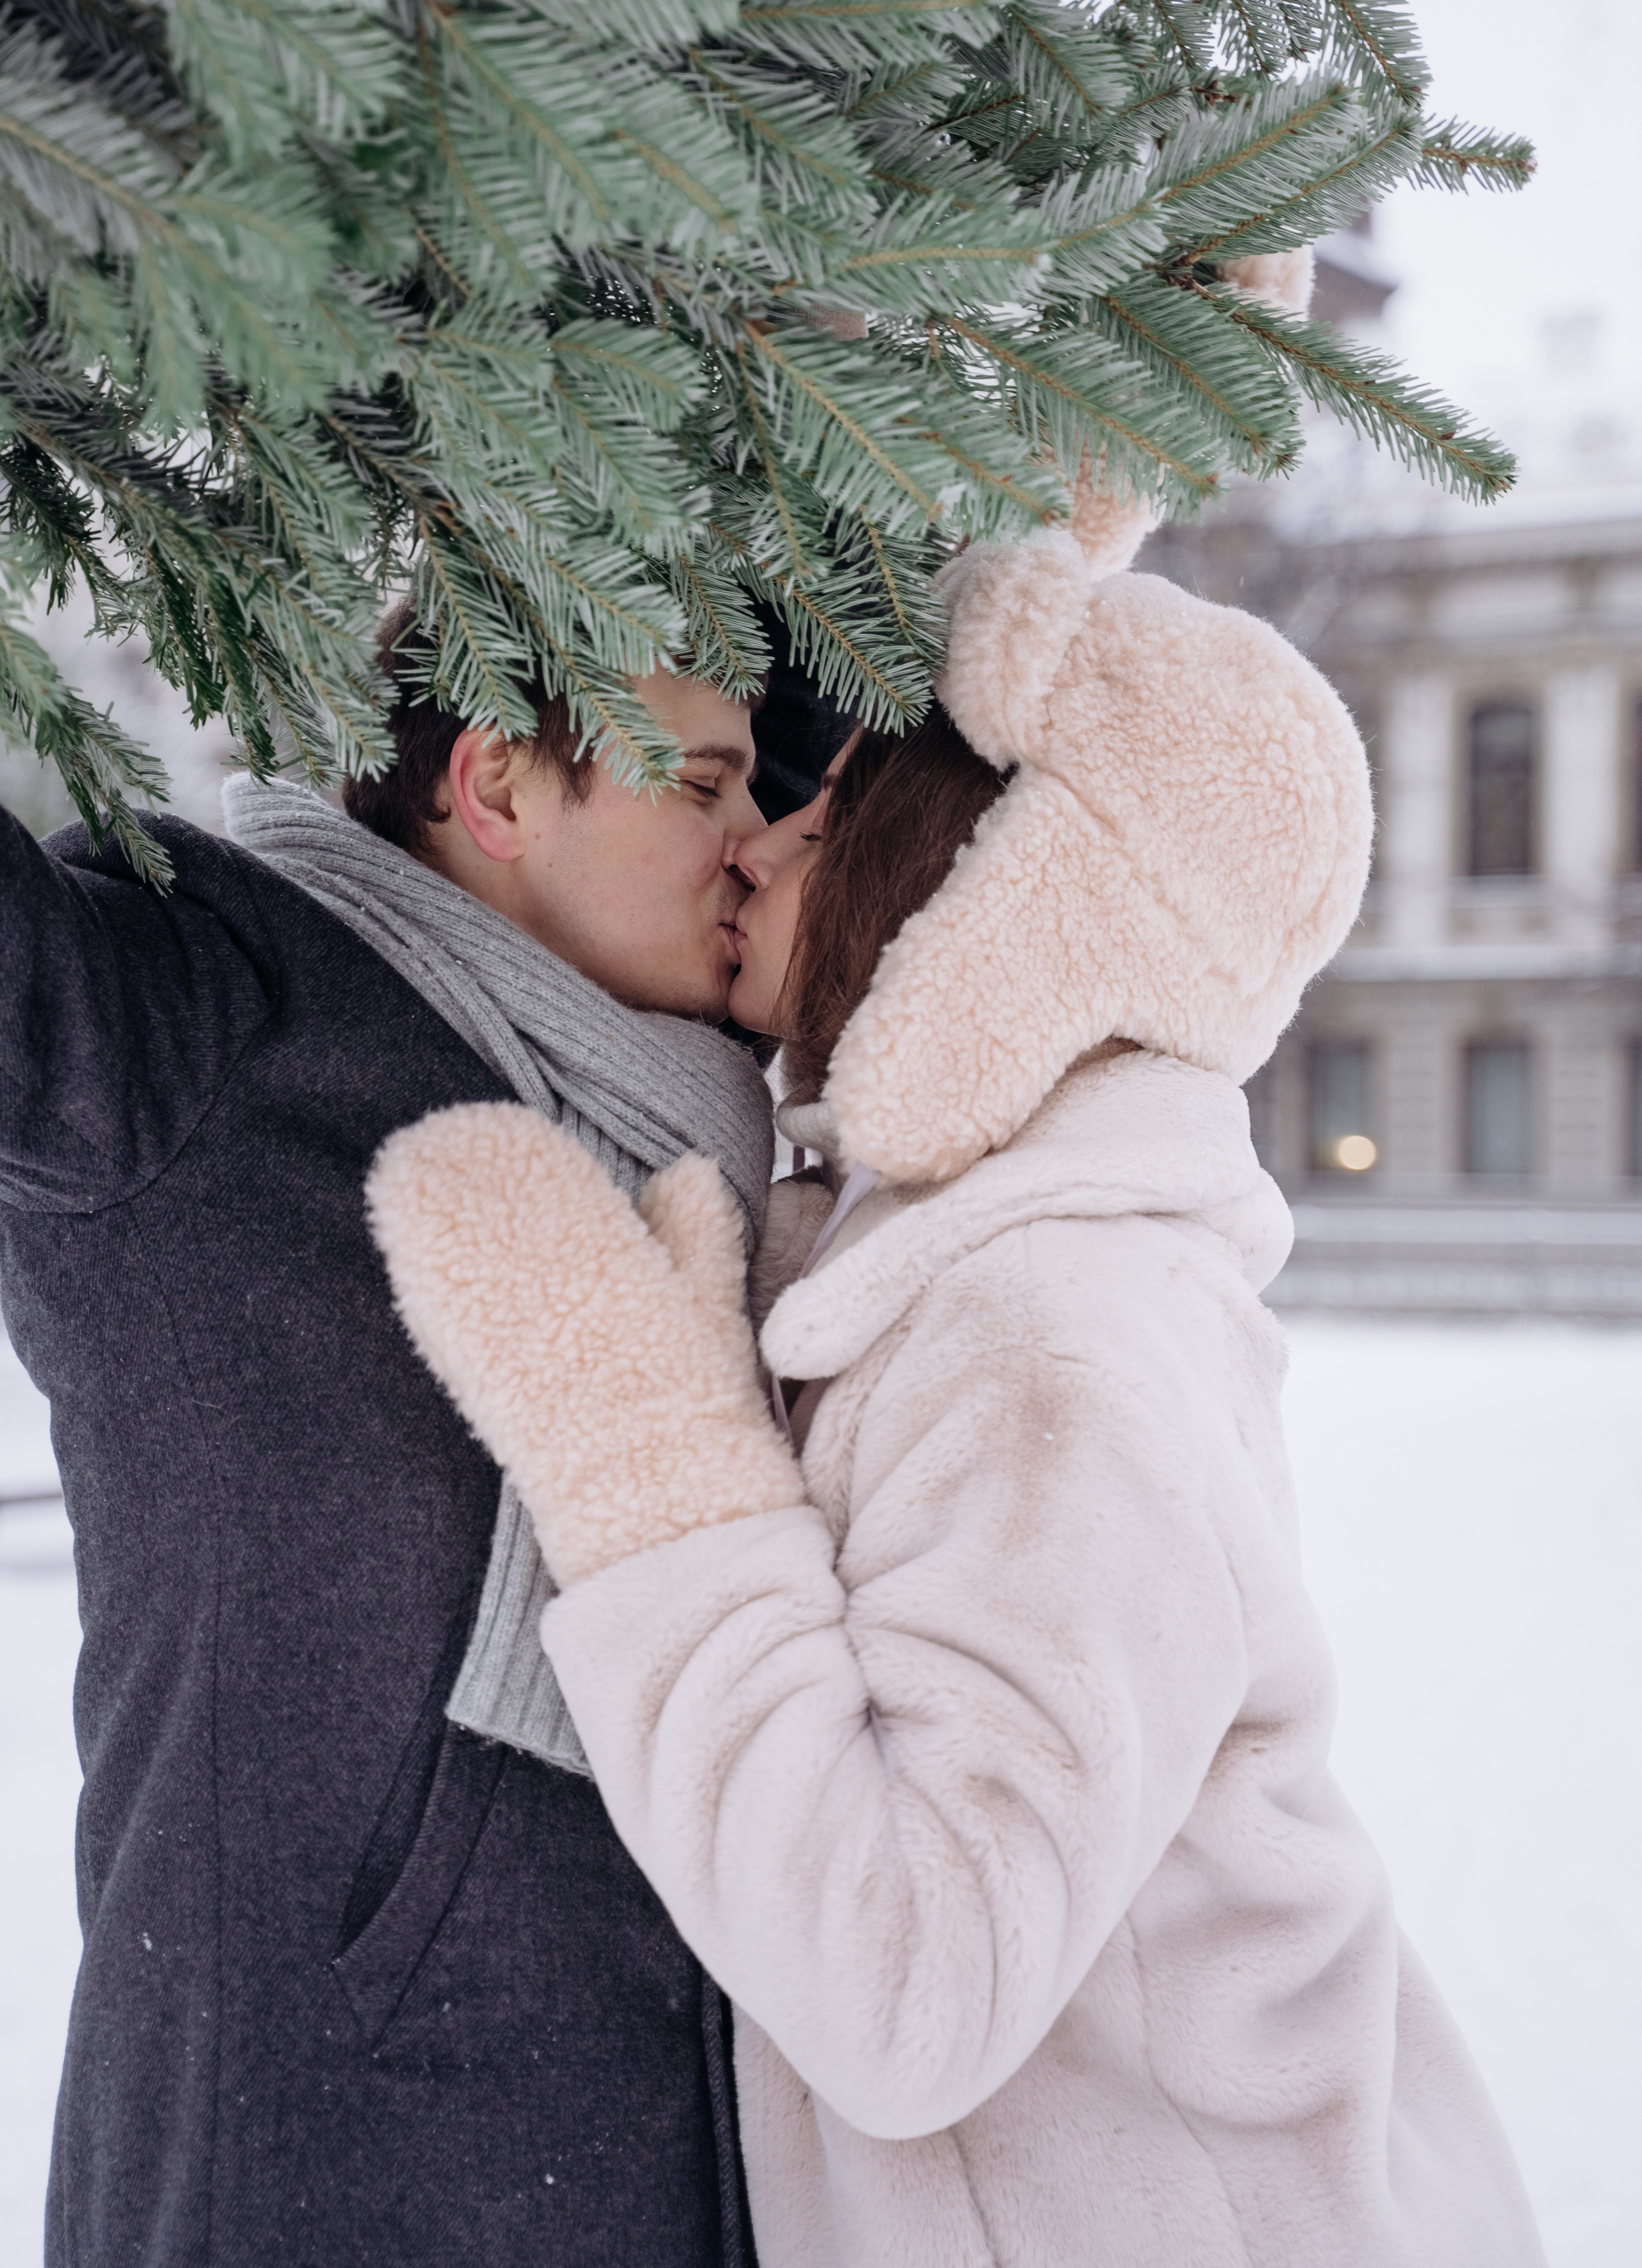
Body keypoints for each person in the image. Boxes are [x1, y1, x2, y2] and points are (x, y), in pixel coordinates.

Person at [369, 493, 1547, 2268]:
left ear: (994, 896)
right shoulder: (955, 1252)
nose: (759, 846)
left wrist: (648, 1466)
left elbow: (907, 1985)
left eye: (835, 811)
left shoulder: (1060, 1336)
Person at [0, 607, 775, 2268]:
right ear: (496, 780)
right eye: (704, 783)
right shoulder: (197, 1018)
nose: (750, 842)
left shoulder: (712, 1148)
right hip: (306, 2177)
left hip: (673, 2173)